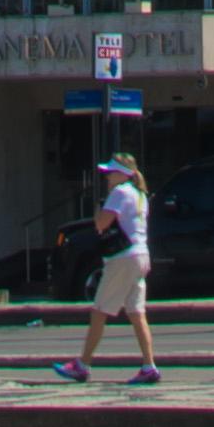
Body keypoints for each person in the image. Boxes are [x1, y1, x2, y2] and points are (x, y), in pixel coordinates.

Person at [51, 154, 160, 390]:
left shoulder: (120, 193)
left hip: (123, 258)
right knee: (137, 312)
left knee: (99, 311)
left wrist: (99, 206)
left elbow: (101, 224)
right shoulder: (141, 195)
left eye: (111, 172)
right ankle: (149, 366)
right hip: (141, 255)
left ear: (123, 174)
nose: (108, 177)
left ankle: (83, 365)